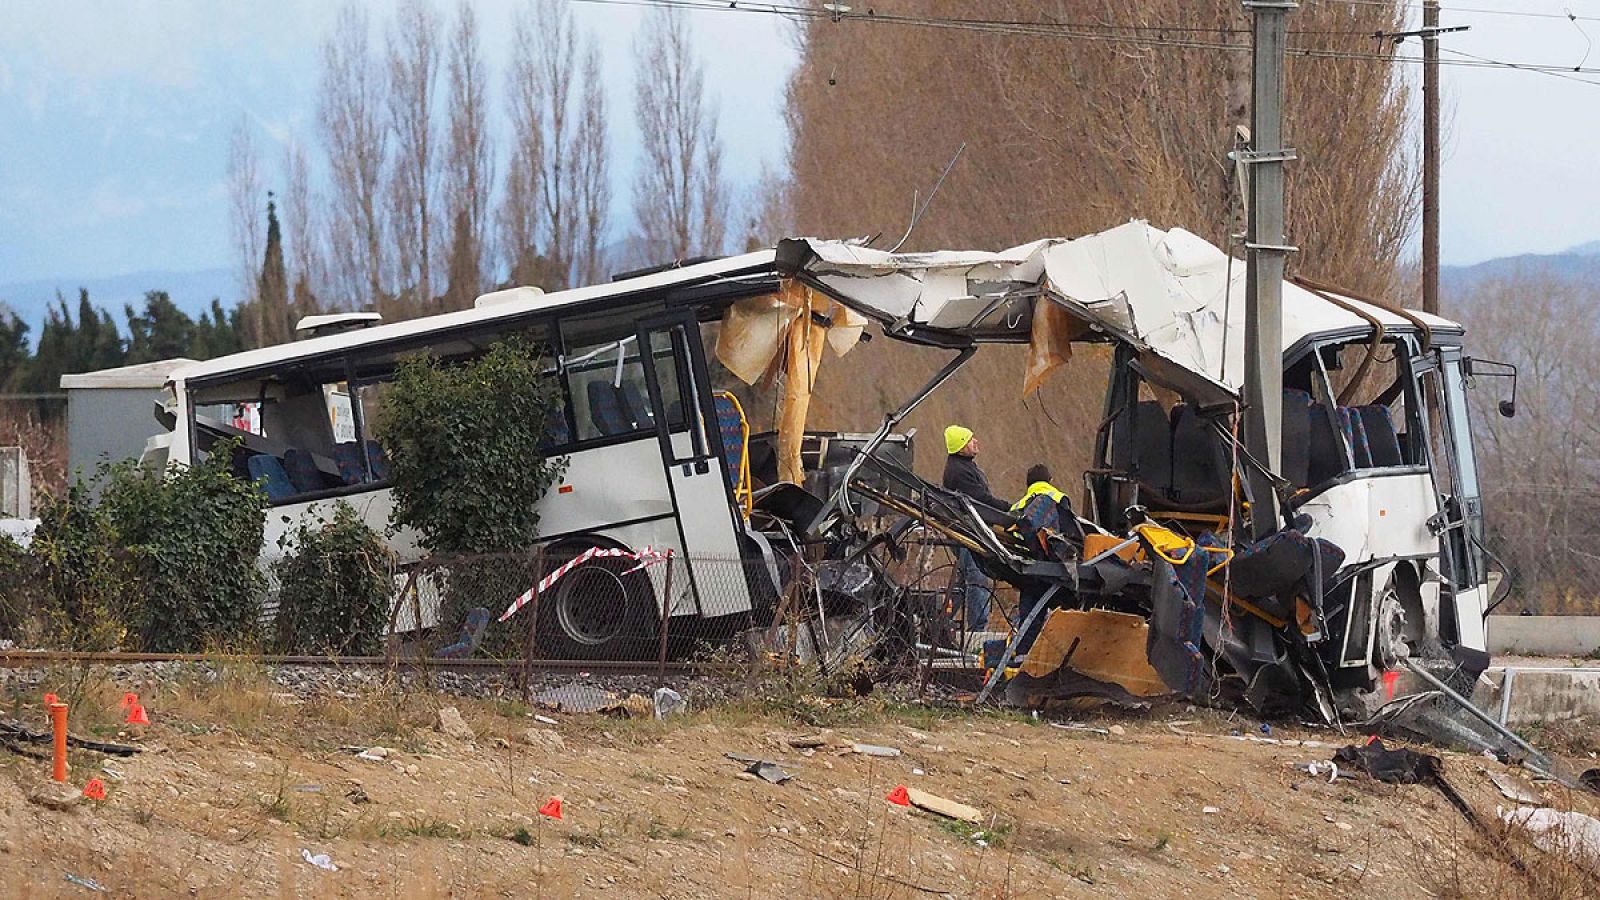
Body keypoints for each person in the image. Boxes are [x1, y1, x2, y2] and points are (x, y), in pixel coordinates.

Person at [943, 425, 1007, 632]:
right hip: (967, 533)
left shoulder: (965, 467)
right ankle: (977, 632)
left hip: (969, 531)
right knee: (977, 579)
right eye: (970, 440)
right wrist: (1008, 509)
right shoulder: (960, 472)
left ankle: (939, 624)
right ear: (961, 447)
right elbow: (980, 500)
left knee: (962, 584)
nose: (976, 441)